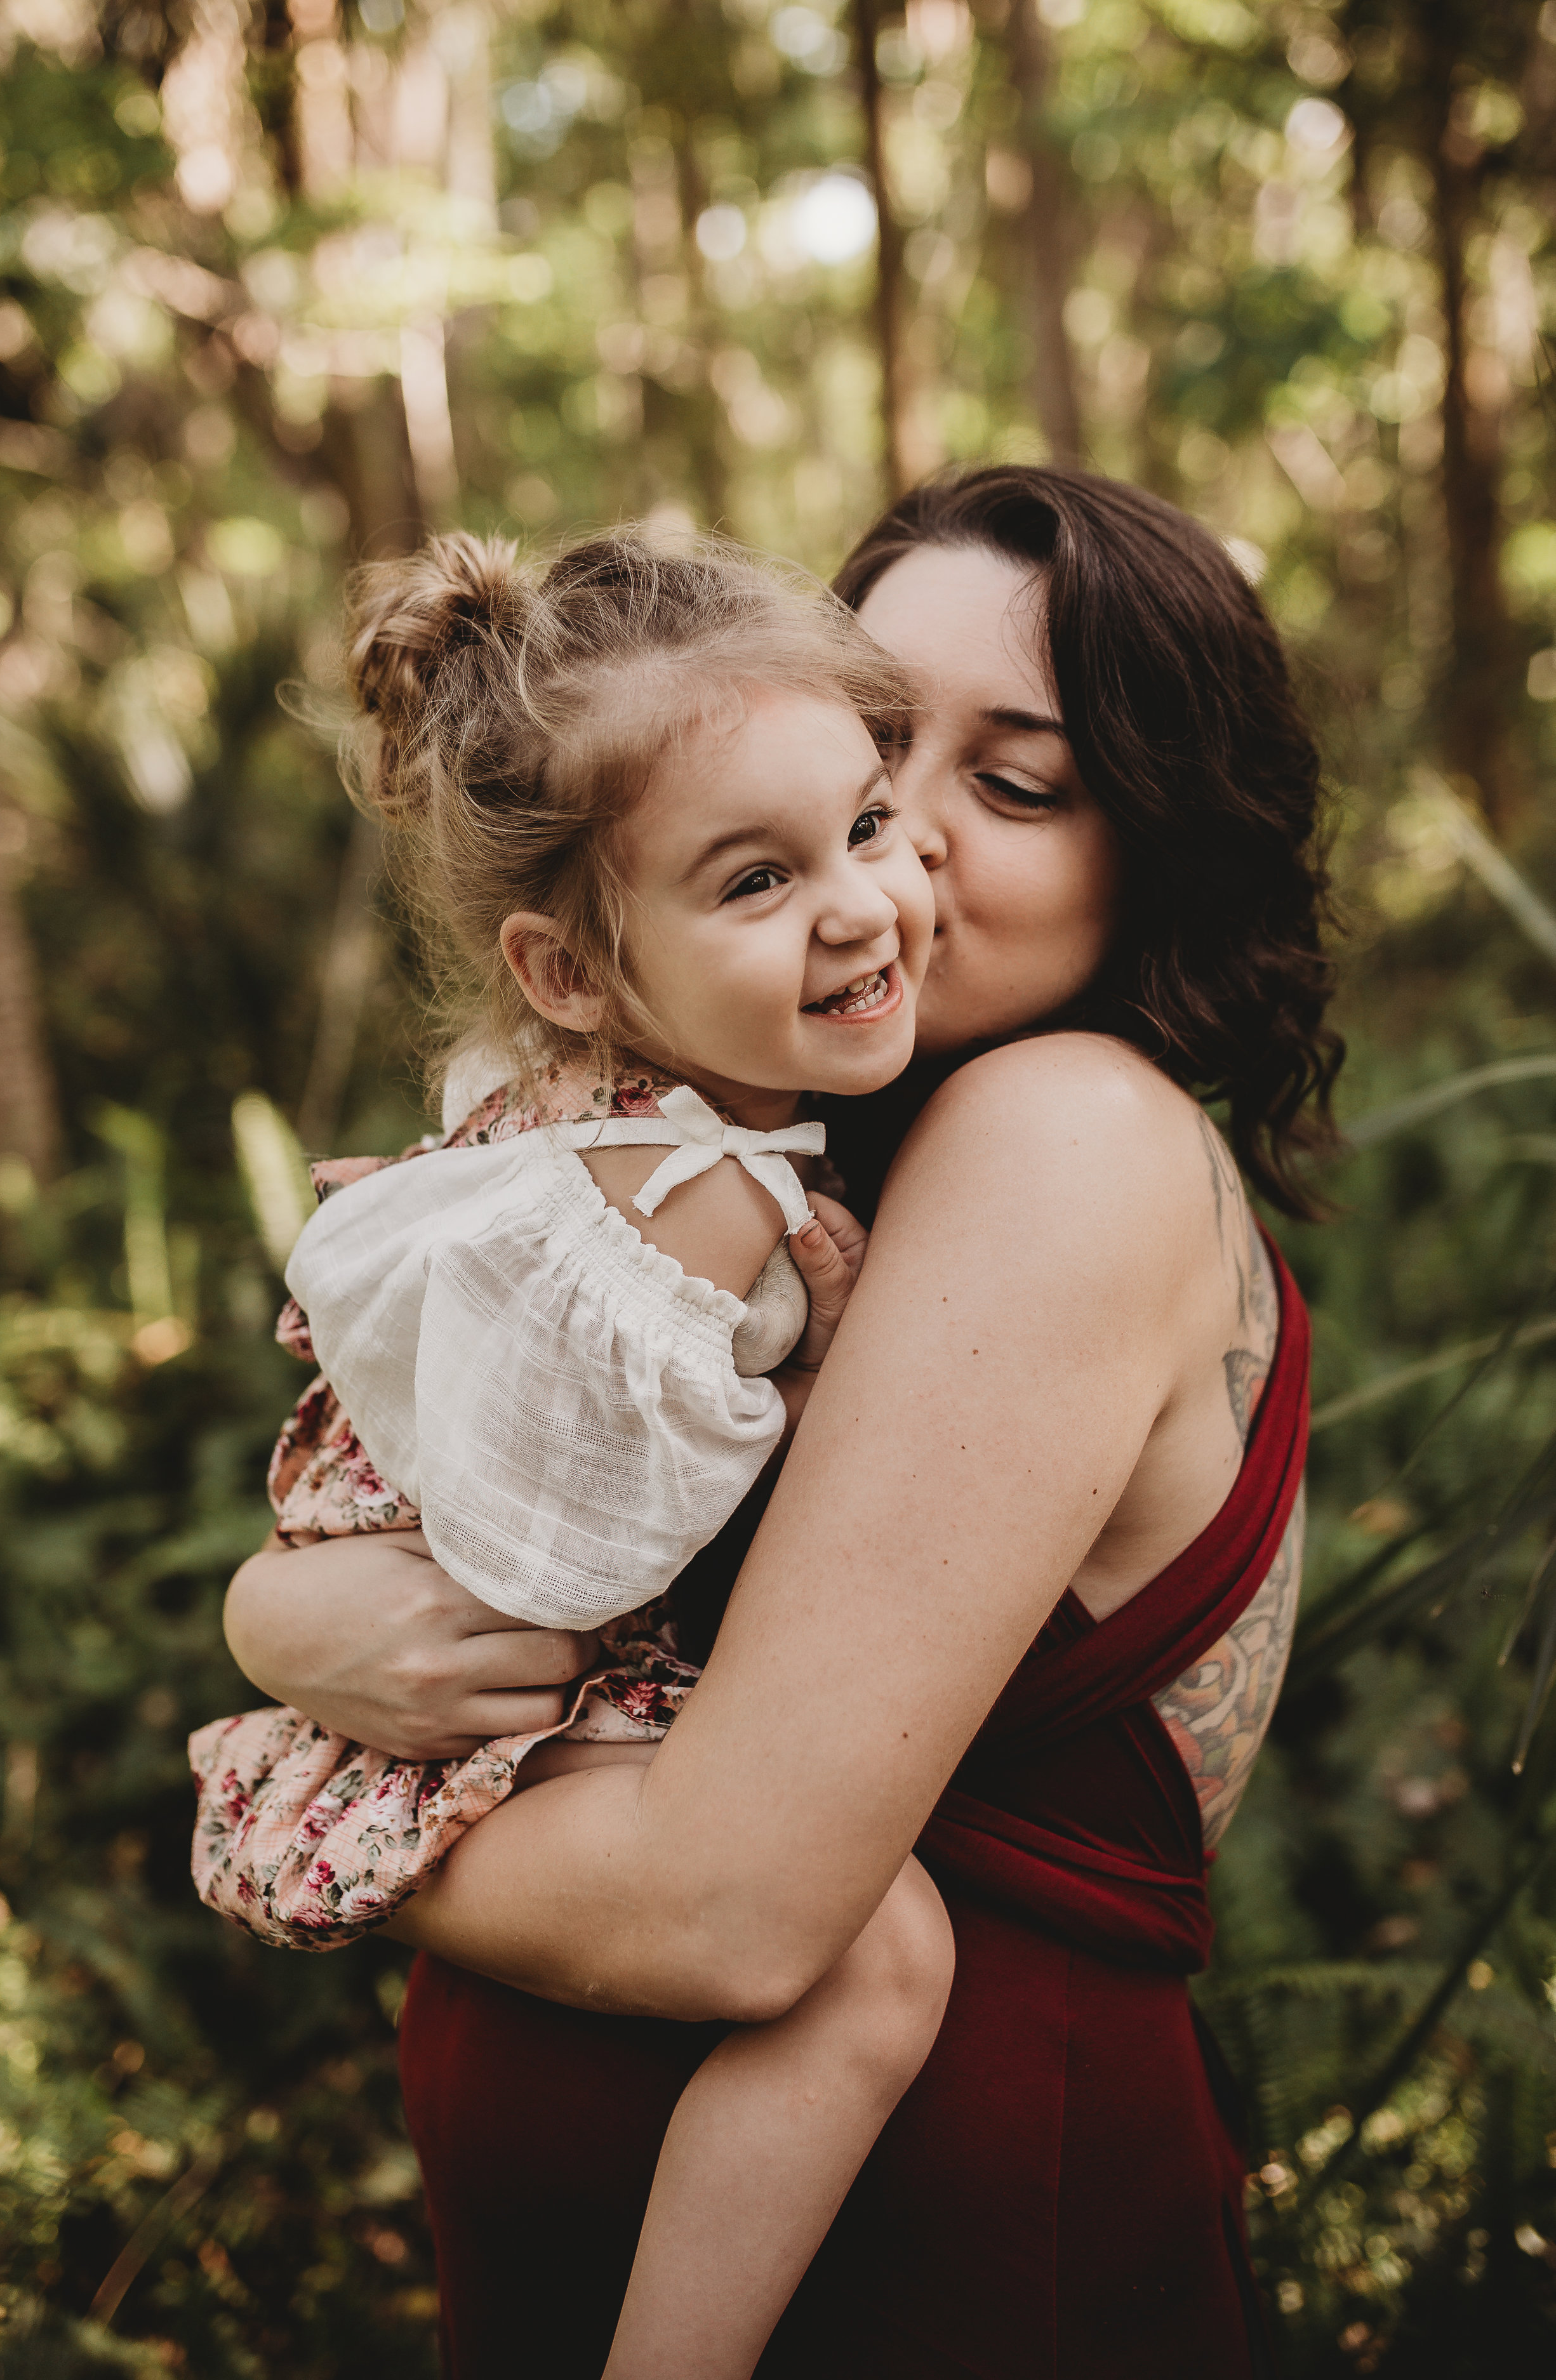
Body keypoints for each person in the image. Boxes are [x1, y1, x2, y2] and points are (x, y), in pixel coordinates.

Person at [223, 465, 1340, 2378]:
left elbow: (729, 1907)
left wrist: (282, 1792)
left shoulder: (1060, 1132)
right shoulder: (748, 1154)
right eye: (873, 750)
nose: (891, 855)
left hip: (931, 2253)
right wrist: (296, 1616)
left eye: (1016, 783)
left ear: (1149, 841)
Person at [192, 524, 957, 2380]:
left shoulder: (654, 1115)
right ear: (571, 971)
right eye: (755, 880)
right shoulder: (693, 1205)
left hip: (443, 1606)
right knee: (878, 1963)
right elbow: (573, 1556)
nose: (861, 904)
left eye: (867, 824)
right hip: (514, 1638)